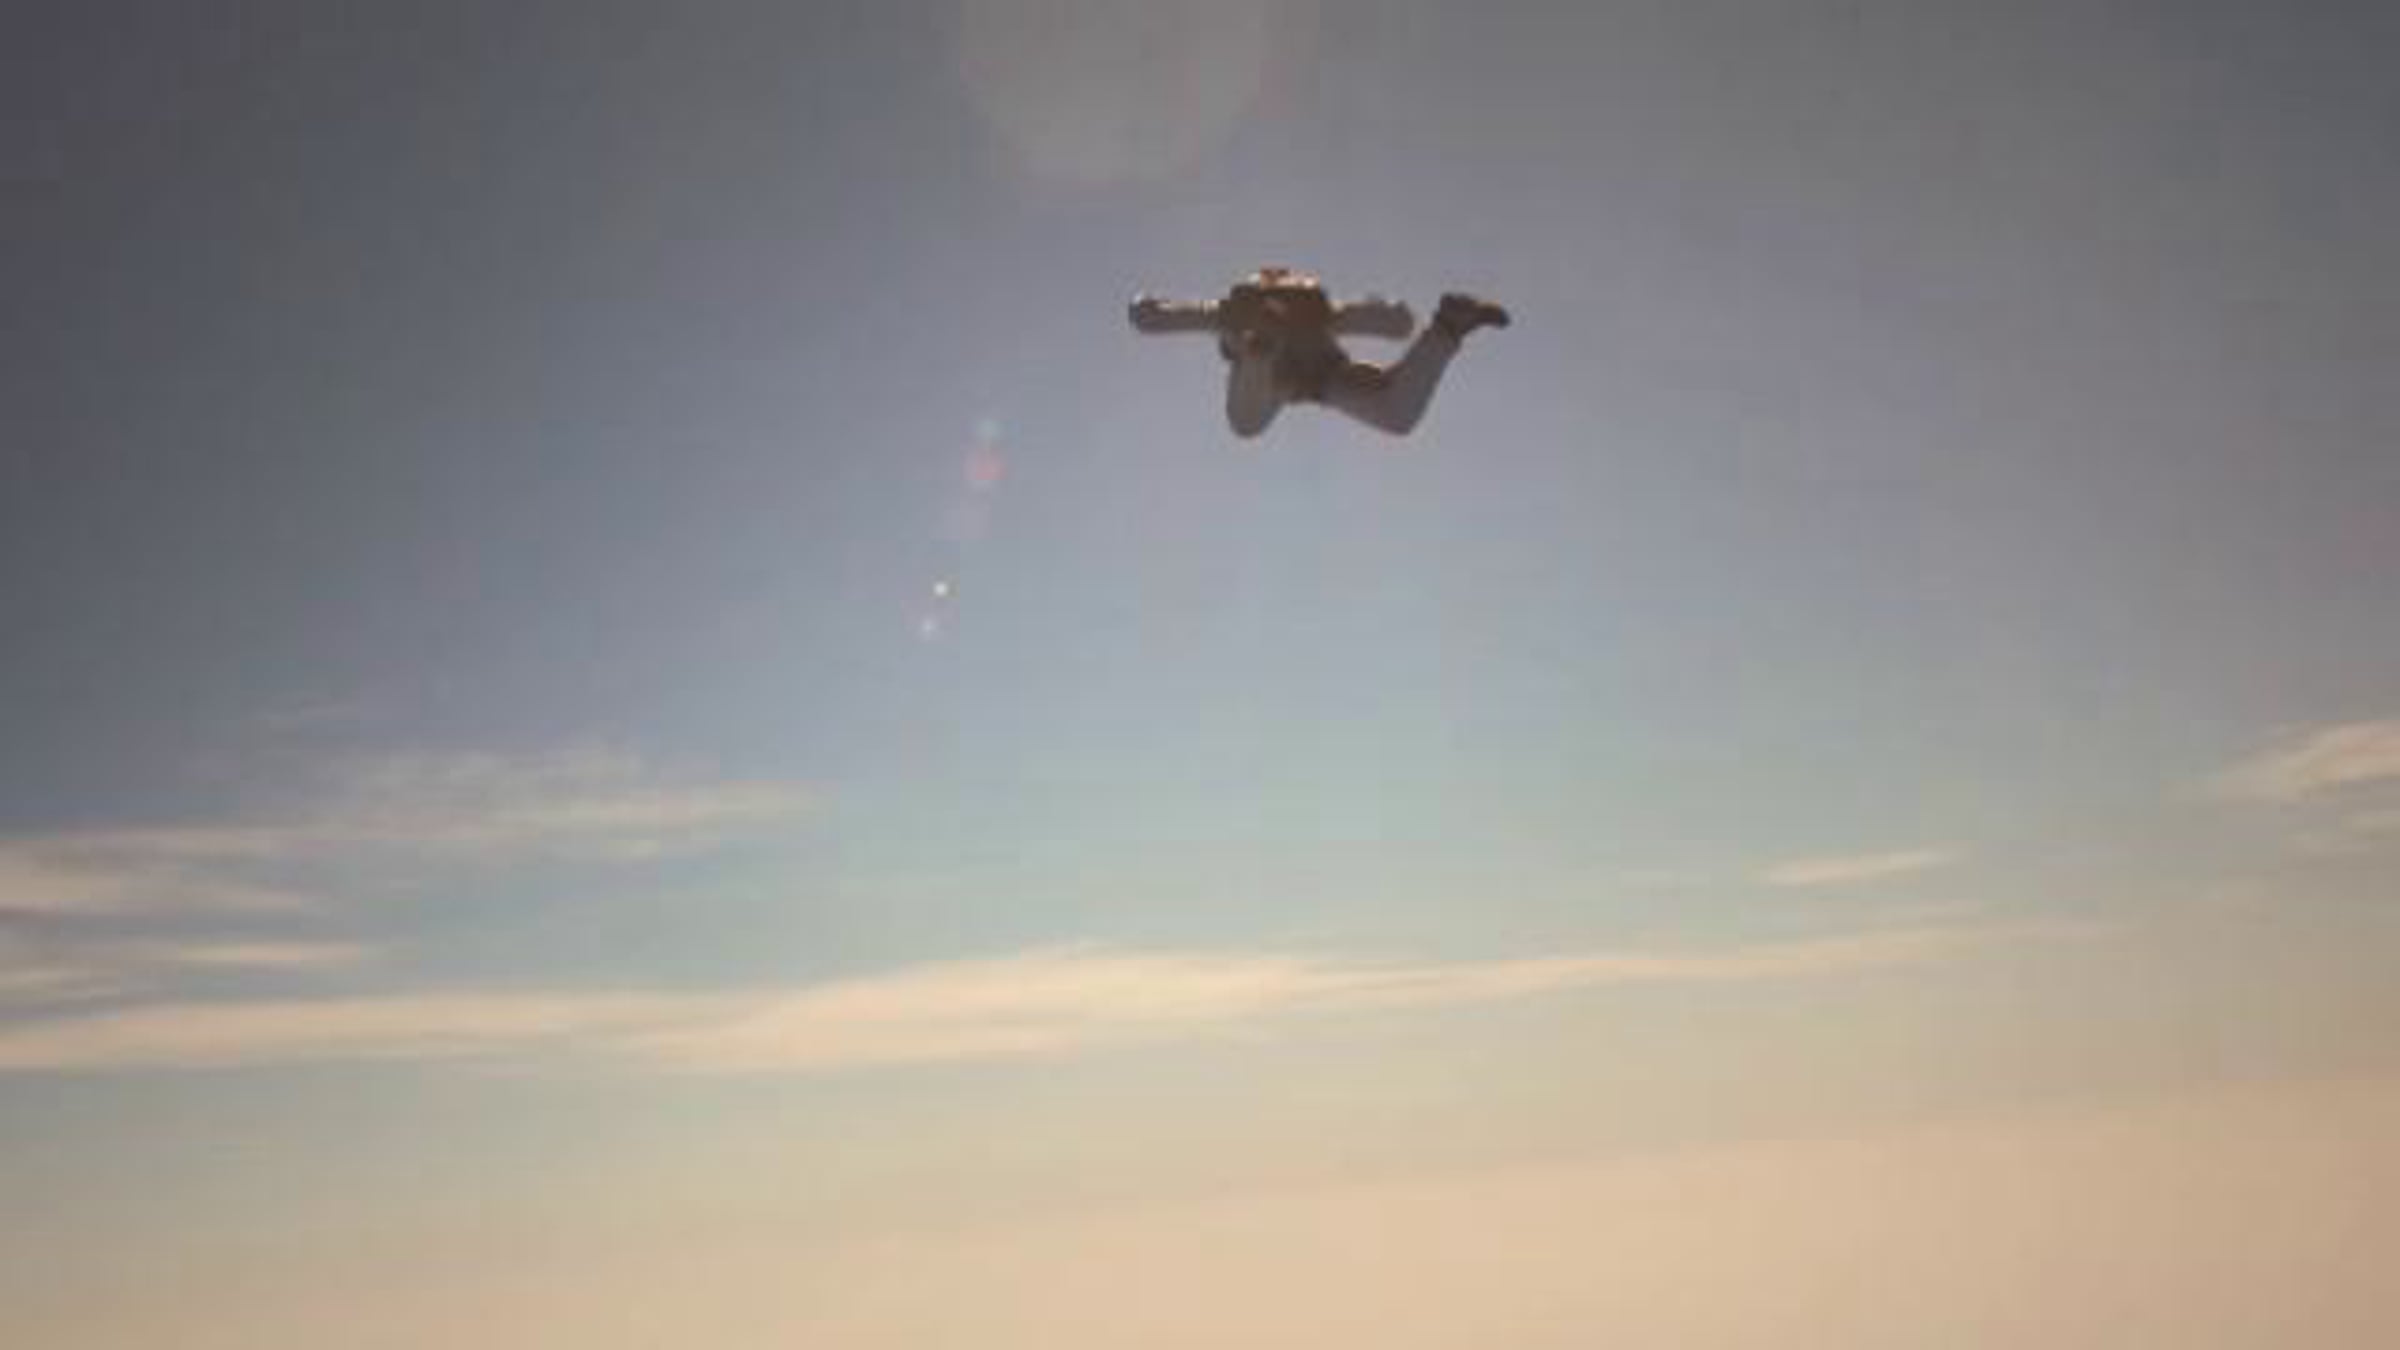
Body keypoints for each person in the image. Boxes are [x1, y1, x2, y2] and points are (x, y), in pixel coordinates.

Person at [1128, 267, 1510, 438]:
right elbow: (1396, 322)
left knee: (1246, 425)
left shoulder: (1229, 315)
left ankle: (1261, 352)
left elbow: (1152, 318)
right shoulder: (1320, 315)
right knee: (1396, 415)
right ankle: (1448, 328)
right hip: (1319, 374)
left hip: (1296, 375)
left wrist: (1152, 307)